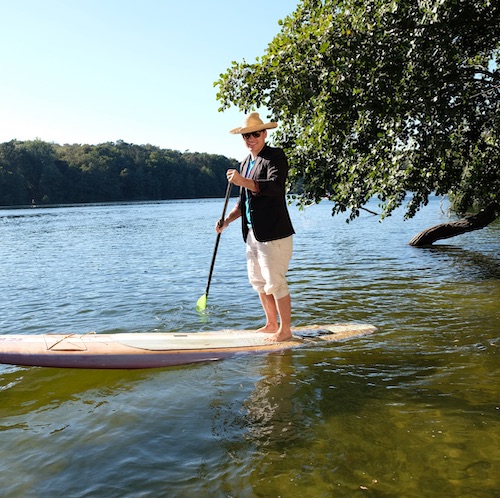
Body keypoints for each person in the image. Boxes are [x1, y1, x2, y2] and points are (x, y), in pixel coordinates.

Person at [216, 112, 295, 342]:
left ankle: (285, 331)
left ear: (264, 133)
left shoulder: (274, 157)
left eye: (255, 134)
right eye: (246, 136)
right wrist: (227, 221)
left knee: (275, 282)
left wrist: (243, 181)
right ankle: (271, 324)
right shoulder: (245, 163)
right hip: (252, 233)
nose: (250, 139)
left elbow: (274, 187)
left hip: (274, 232)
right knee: (258, 281)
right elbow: (243, 202)